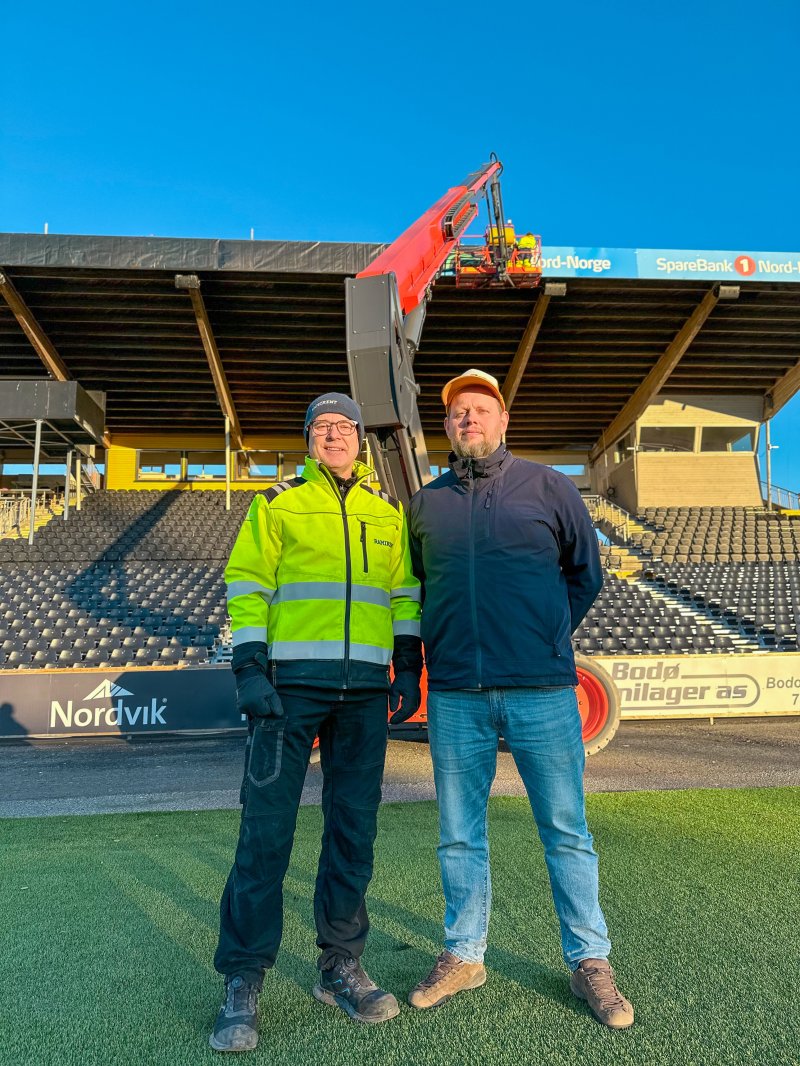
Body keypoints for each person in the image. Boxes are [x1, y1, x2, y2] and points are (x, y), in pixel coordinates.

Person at [405, 369, 634, 1030]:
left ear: (502, 421)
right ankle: (465, 953)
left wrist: (544, 635)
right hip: (455, 695)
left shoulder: (549, 486)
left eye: (479, 409)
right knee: (458, 833)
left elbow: (584, 575)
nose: (467, 419)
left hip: (541, 690)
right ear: (446, 428)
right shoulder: (427, 504)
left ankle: (590, 960)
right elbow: (418, 591)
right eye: (456, 414)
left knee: (565, 829)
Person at [210, 393, 422, 1052]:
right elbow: (247, 584)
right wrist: (248, 668)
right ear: (309, 441)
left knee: (353, 837)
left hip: (363, 695)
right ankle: (243, 979)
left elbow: (405, 592)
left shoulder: (386, 512)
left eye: (344, 426)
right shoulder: (276, 503)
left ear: (360, 440)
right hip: (285, 694)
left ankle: (340, 968)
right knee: (264, 840)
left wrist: (409, 665)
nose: (334, 434)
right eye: (322, 426)